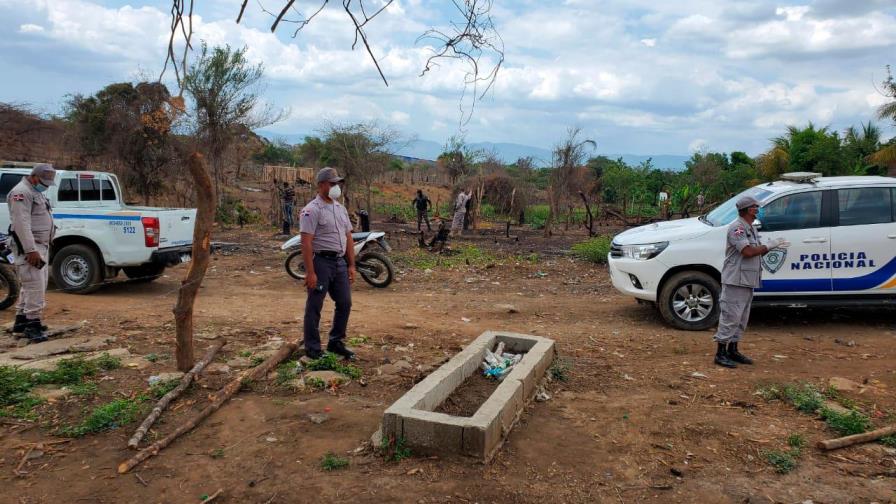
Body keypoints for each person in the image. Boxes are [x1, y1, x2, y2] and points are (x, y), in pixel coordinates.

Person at [713, 196, 790, 368]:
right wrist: (769, 246)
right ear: (749, 209)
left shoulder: (750, 228)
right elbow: (747, 252)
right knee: (730, 316)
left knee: (742, 318)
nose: (758, 209)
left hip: (747, 279)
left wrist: (772, 246)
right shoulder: (737, 228)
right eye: (756, 207)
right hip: (735, 280)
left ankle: (733, 350)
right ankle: (720, 353)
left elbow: (756, 251)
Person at [299, 167, 356, 361]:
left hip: (339, 262)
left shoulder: (340, 208)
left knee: (345, 303)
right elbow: (306, 242)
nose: (336, 187)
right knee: (315, 305)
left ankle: (336, 342)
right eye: (332, 183)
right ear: (321, 184)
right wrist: (310, 272)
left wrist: (351, 265)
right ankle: (313, 348)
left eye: (337, 183)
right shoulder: (311, 210)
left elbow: (348, 236)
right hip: (321, 261)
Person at [8, 164, 57, 343]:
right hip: (31, 248)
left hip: (40, 246)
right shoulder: (21, 192)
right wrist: (31, 250)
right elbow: (21, 223)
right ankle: (32, 325)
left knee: (31, 285)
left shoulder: (35, 192)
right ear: (34, 177)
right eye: (43, 182)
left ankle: (21, 322)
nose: (45, 185)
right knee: (34, 285)